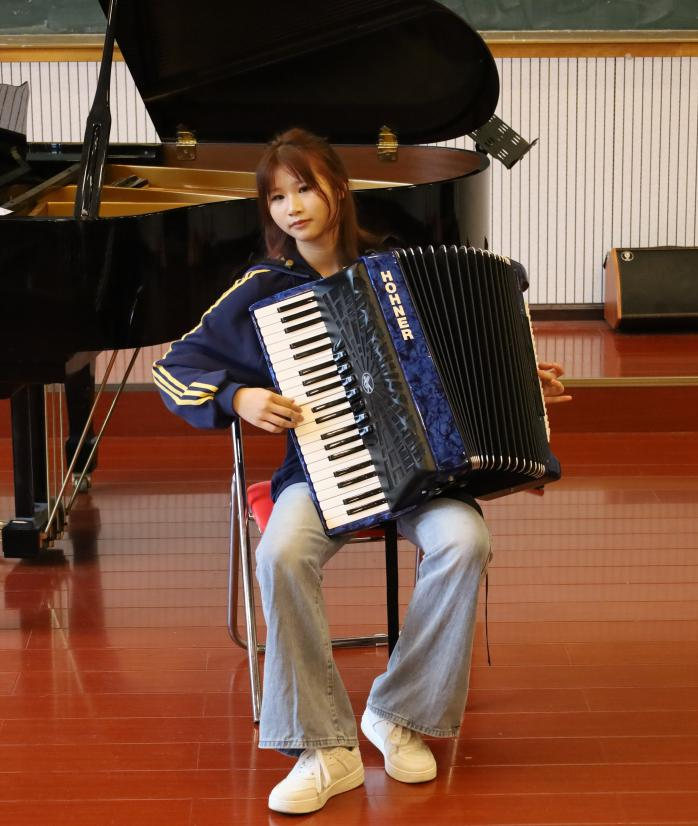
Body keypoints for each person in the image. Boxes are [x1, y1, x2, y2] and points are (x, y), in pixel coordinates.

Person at [154, 128, 571, 815]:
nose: (292, 208)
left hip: (421, 473)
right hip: (320, 470)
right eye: (277, 198)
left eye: (305, 188)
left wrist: (521, 380)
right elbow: (174, 368)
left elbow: (463, 363)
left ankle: (398, 714)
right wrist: (238, 396)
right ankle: (324, 749)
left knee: (465, 540)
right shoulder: (264, 289)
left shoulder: (398, 270)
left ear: (339, 190)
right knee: (280, 554)